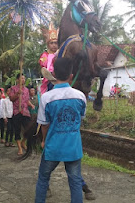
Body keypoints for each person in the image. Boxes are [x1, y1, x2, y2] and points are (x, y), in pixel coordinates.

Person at [35, 57, 85, 203]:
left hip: (53, 147)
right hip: (73, 147)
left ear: (54, 74)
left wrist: (44, 141)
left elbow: (44, 124)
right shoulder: (80, 96)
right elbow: (80, 118)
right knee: (75, 181)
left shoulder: (46, 98)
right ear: (71, 76)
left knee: (43, 178)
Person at [10, 74, 35, 155]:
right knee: (17, 130)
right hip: (17, 111)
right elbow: (11, 99)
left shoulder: (26, 90)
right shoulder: (13, 89)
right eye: (21, 78)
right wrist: (17, 94)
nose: (23, 80)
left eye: (24, 78)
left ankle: (23, 142)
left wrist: (31, 105)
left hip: (25, 112)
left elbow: (27, 100)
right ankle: (20, 148)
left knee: (29, 129)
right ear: (17, 80)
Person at [39, 23, 59, 94]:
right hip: (49, 78)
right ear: (48, 44)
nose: (54, 45)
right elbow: (43, 64)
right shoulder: (45, 55)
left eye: (56, 43)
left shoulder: (60, 53)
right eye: (52, 43)